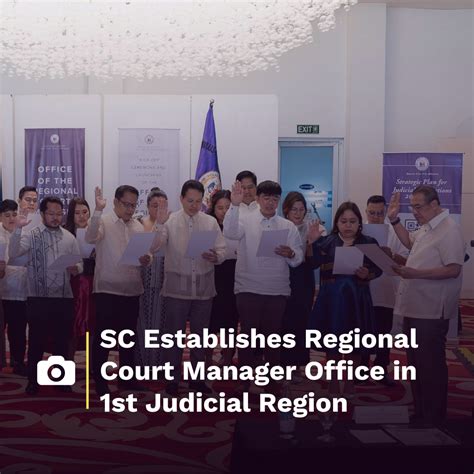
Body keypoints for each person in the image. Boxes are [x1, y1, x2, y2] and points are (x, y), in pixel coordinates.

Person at [388, 186, 465, 424]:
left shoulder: (449, 230)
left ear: (434, 204)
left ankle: (433, 417)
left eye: (418, 206)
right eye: (412, 206)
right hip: (415, 305)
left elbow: (453, 269)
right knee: (416, 364)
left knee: (430, 365)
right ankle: (421, 411)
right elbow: (410, 243)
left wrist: (416, 273)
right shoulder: (428, 227)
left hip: (431, 310)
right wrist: (394, 220)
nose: (415, 211)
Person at [223, 180, 303, 392]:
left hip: (277, 289)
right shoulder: (245, 220)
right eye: (266, 198)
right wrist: (234, 205)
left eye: (274, 199)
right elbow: (229, 233)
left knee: (273, 338)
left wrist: (291, 253)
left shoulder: (287, 226)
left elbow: (298, 258)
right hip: (248, 287)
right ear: (258, 199)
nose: (270, 203)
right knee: (248, 336)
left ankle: (273, 382)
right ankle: (244, 380)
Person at [156, 180, 226, 396]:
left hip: (203, 290)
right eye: (190, 201)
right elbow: (155, 247)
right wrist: (159, 224)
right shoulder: (170, 221)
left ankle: (197, 380)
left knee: (200, 339)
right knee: (173, 338)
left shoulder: (210, 222)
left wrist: (216, 256)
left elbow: (222, 249)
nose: (194, 205)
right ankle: (172, 380)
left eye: (198, 201)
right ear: (181, 199)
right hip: (177, 290)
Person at [9, 197, 82, 395]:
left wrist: (76, 268)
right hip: (38, 297)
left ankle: (62, 381)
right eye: (51, 214)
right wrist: (18, 229)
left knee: (62, 342)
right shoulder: (31, 235)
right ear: (42, 214)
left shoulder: (69, 237)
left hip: (63, 297)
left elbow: (79, 263)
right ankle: (33, 381)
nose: (56, 217)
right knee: (36, 341)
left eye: (59, 214)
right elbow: (13, 253)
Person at [309, 201, 382, 397]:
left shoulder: (369, 242)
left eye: (352, 221)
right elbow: (313, 264)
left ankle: (350, 383)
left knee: (355, 344)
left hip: (357, 299)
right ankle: (333, 382)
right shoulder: (327, 241)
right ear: (337, 223)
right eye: (343, 221)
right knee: (332, 343)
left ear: (359, 223)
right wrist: (313, 242)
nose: (348, 225)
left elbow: (379, 269)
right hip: (332, 299)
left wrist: (368, 273)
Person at [86, 185, 152, 396]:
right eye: (126, 205)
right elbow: (90, 237)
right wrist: (97, 210)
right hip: (107, 289)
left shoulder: (138, 227)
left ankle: (126, 378)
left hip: (131, 289)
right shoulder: (103, 221)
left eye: (133, 205)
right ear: (115, 202)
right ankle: (100, 381)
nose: (130, 209)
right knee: (104, 338)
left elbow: (146, 254)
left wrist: (147, 259)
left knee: (127, 338)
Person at [363, 195, 409, 386]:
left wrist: (393, 255)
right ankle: (361, 371)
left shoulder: (394, 232)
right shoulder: (360, 231)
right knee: (362, 333)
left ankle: (381, 369)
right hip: (363, 291)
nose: (375, 217)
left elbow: (407, 262)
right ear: (366, 212)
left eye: (380, 213)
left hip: (386, 290)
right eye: (372, 213)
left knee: (383, 334)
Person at [280, 192, 326, 382]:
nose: (298, 213)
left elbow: (315, 263)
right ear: (286, 211)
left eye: (301, 210)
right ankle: (281, 363)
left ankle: (297, 365)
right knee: (282, 322)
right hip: (282, 278)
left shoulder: (313, 229)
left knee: (300, 323)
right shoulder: (280, 227)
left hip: (304, 282)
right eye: (294, 210)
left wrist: (310, 243)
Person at [135, 187, 170, 367]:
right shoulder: (138, 223)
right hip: (140, 278)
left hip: (163, 279)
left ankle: (158, 363)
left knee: (160, 323)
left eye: (163, 206)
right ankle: (140, 363)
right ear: (148, 206)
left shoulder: (170, 225)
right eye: (155, 205)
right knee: (140, 322)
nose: (159, 209)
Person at [206, 189, 238, 366]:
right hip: (212, 275)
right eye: (220, 208)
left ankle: (227, 358)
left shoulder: (238, 225)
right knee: (210, 320)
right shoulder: (207, 225)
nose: (224, 211)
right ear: (213, 208)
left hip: (233, 275)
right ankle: (207, 357)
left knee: (230, 320)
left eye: (228, 207)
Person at [64, 197, 95, 359]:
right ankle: (68, 360)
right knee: (71, 324)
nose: (82, 216)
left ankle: (92, 363)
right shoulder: (64, 233)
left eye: (85, 212)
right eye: (77, 213)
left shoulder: (96, 232)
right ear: (71, 215)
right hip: (71, 285)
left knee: (92, 323)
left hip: (92, 283)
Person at [0, 199, 28, 375]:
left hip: (20, 291)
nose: (11, 218)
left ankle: (18, 362)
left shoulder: (23, 232)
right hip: (2, 291)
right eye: (7, 215)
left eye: (14, 215)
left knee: (18, 329)